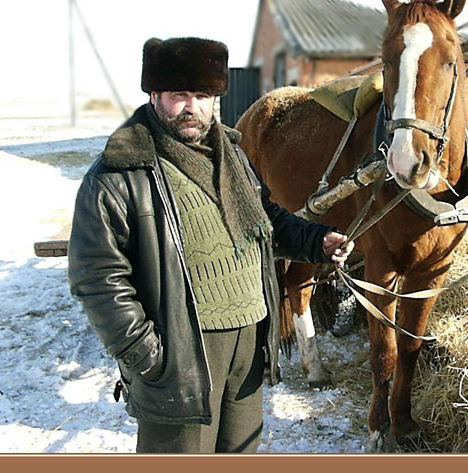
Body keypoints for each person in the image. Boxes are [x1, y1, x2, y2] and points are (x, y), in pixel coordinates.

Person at [68, 36, 353, 454]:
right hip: (181, 351)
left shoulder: (231, 155)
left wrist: (315, 240)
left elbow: (265, 218)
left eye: (202, 95)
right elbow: (96, 275)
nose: (191, 107)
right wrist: (146, 354)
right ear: (154, 95)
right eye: (179, 95)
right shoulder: (121, 172)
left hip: (249, 339)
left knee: (240, 453)